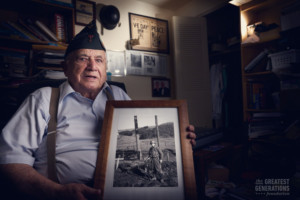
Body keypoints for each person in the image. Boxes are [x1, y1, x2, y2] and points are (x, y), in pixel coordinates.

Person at [0, 20, 196, 200]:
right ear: (65, 67)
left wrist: (181, 141)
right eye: (83, 59)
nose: (92, 66)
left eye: (99, 60)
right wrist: (56, 191)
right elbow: (11, 161)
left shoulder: (118, 94)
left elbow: (141, 131)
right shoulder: (43, 98)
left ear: (105, 67)